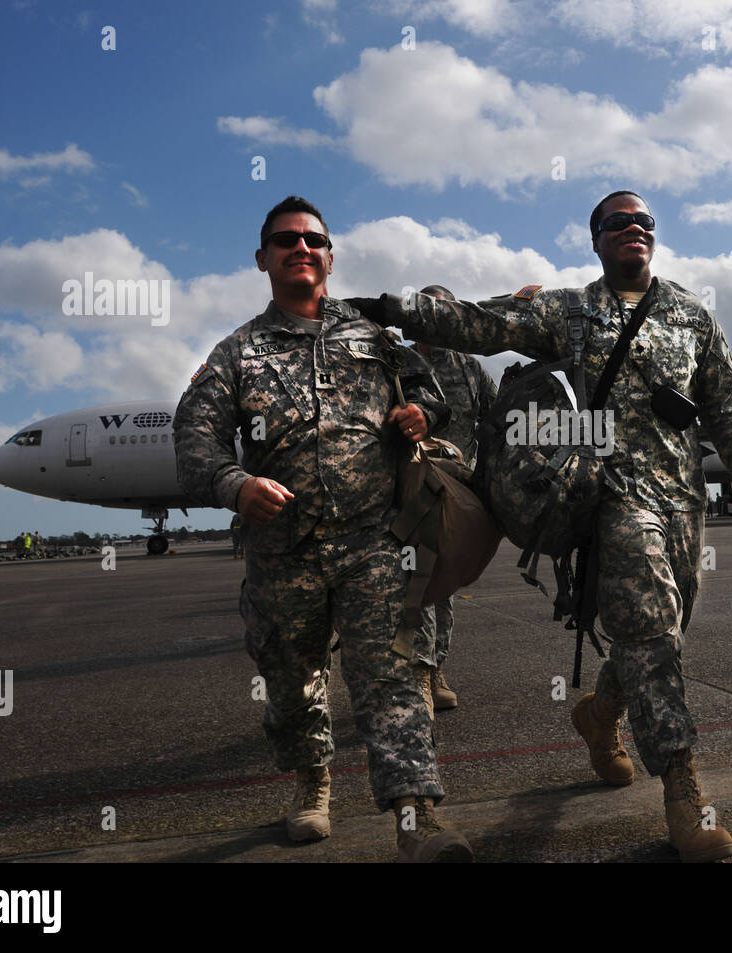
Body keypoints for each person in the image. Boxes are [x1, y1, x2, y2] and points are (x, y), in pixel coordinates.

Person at [350, 190, 732, 862]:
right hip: (609, 491)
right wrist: (391, 309)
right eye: (618, 222)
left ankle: (601, 712)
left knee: (668, 625)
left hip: (681, 494)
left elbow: (726, 408)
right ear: (596, 239)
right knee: (647, 623)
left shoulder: (692, 316)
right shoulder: (568, 309)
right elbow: (479, 322)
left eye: (643, 222)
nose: (633, 229)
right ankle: (681, 788)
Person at [173, 195, 471, 862]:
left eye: (313, 239)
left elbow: (435, 394)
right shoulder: (237, 354)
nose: (300, 248)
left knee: (392, 676)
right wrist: (237, 484)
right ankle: (313, 778)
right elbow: (195, 445)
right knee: (290, 680)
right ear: (263, 259)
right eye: (285, 240)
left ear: (330, 257)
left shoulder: (375, 337)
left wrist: (421, 414)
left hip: (373, 542)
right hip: (283, 555)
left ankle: (416, 819)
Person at [412, 284, 498, 712]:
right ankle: (421, 675)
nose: (437, 317)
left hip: (459, 493)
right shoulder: (402, 363)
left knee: (444, 585)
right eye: (429, 310)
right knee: (420, 582)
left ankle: (435, 667)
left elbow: (498, 420)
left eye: (444, 310)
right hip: (411, 491)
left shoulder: (470, 368)